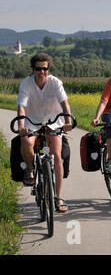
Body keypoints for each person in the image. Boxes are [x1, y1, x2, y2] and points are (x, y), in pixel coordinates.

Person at [17, 53, 73, 213]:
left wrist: (67, 121)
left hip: (53, 120)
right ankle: (29, 169)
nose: (42, 72)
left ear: (48, 69)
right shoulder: (26, 84)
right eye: (38, 69)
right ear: (33, 69)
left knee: (56, 155)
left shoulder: (55, 83)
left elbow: (65, 104)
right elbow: (21, 107)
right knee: (27, 142)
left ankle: (59, 196)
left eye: (45, 69)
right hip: (32, 121)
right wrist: (22, 125)